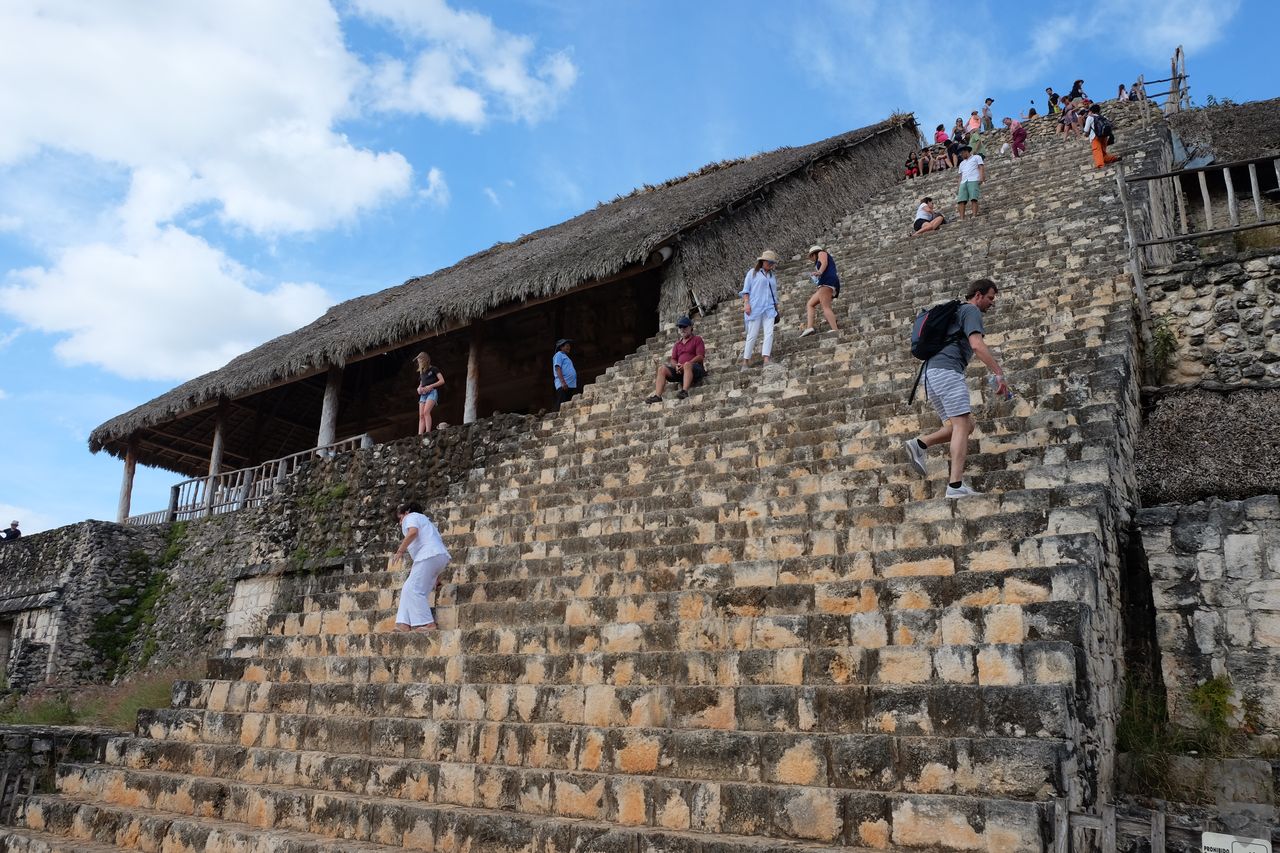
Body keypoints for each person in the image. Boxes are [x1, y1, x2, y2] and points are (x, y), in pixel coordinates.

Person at [903, 279, 1008, 499]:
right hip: (947, 372)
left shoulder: (956, 310)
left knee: (966, 425)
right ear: (978, 295)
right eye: (990, 298)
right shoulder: (970, 310)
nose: (992, 304)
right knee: (961, 425)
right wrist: (998, 373)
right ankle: (955, 485)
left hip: (930, 375)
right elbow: (977, 345)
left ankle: (920, 444)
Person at [392, 502, 451, 632]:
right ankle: (403, 623)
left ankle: (428, 623)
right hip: (437, 557)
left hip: (429, 556)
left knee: (414, 589)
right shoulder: (426, 522)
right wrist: (436, 576)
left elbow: (413, 532)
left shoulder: (411, 516)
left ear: (406, 512)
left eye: (400, 518)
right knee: (408, 588)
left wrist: (400, 551)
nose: (401, 523)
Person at [645, 316, 706, 402]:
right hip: (680, 371)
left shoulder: (697, 339)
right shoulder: (677, 344)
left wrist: (687, 364)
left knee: (687, 365)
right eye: (680, 327)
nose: (682, 329)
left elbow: (700, 356)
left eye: (684, 327)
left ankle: (684, 391)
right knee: (662, 369)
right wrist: (676, 366)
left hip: (695, 369)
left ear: (691, 327)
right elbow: (673, 359)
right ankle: (658, 396)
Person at [739, 250, 780, 368]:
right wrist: (746, 304)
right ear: (762, 261)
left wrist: (776, 307)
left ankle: (766, 358)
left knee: (769, 333)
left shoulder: (772, 276)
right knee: (752, 334)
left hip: (769, 308)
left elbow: (774, 293)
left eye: (772, 262)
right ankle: (745, 361)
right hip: (755, 307)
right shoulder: (753, 273)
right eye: (769, 262)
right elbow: (746, 290)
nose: (771, 264)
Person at [799, 245, 840, 337]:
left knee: (825, 307)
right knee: (810, 304)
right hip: (826, 283)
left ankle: (835, 329)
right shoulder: (819, 260)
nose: (811, 259)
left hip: (827, 282)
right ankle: (809, 327)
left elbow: (824, 262)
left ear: (814, 254)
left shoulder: (821, 253)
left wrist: (819, 272)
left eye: (811, 257)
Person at [413, 352, 444, 435]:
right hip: (423, 395)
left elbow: (442, 381)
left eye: (420, 361)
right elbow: (421, 384)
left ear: (425, 360)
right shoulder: (421, 372)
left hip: (432, 392)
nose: (419, 363)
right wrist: (419, 389)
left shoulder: (434, 369)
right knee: (421, 415)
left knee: (426, 412)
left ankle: (427, 432)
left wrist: (431, 386)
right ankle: (420, 434)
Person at [1084, 103, 1121, 169]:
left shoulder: (1090, 117)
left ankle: (1100, 165)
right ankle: (1113, 158)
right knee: (1103, 153)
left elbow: (1086, 130)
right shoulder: (1103, 117)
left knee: (1097, 151)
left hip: (1095, 137)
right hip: (1104, 136)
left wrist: (1086, 134)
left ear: (1091, 111)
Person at [955, 146, 985, 219]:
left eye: (962, 153)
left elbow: (981, 167)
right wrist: (958, 186)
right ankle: (962, 218)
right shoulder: (961, 163)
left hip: (973, 179)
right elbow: (960, 176)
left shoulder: (976, 157)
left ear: (966, 151)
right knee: (961, 200)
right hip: (963, 181)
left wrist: (981, 178)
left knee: (973, 198)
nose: (961, 155)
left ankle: (974, 215)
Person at [552, 338, 578, 409]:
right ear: (561, 347)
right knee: (561, 405)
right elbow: (557, 368)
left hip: (569, 385)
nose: (569, 347)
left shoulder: (566, 357)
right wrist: (563, 382)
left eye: (569, 346)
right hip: (563, 385)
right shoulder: (559, 354)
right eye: (566, 345)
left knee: (567, 406)